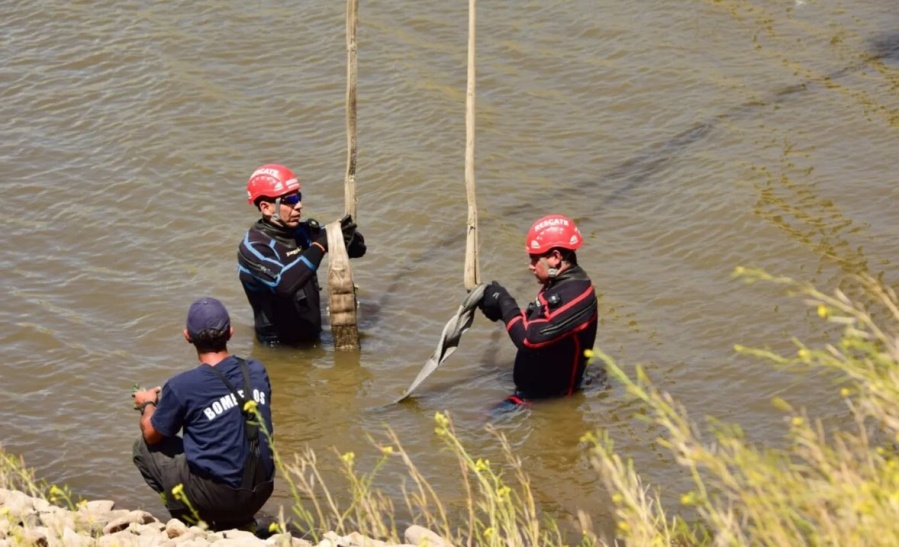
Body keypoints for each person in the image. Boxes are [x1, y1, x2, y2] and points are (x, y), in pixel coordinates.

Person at [132, 297, 274, 530]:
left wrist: (147, 403)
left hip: (218, 498)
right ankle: (241, 519)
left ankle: (193, 520)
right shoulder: (256, 371)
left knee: (143, 448)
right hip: (261, 490)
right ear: (230, 332)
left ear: (187, 336)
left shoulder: (183, 385)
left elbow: (150, 434)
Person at [237, 163, 366, 346]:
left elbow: (359, 251)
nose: (299, 205)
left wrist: (345, 235)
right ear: (266, 208)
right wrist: (320, 245)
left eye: (298, 197)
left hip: (312, 339)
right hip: (279, 350)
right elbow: (284, 284)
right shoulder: (253, 247)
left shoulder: (303, 232)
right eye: (289, 200)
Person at [478, 214, 598, 404]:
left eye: (535, 260)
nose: (530, 267)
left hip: (553, 404)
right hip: (533, 398)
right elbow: (533, 323)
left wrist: (504, 302)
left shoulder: (576, 296)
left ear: (556, 257)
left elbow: (529, 338)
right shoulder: (560, 285)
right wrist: (501, 312)